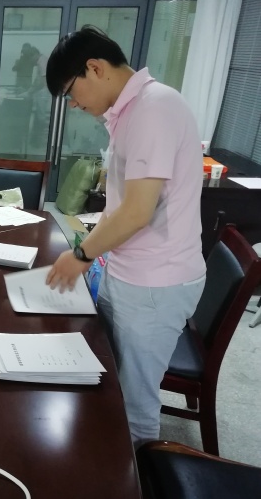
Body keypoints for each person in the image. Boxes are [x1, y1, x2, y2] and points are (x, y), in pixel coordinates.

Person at [44, 25, 206, 447]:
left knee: (135, 404)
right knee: (112, 380)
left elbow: (136, 212)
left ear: (95, 68)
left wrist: (81, 255)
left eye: (71, 92)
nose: (75, 104)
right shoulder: (131, 112)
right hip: (130, 271)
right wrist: (92, 250)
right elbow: (121, 205)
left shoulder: (155, 108)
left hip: (155, 282)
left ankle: (140, 473)